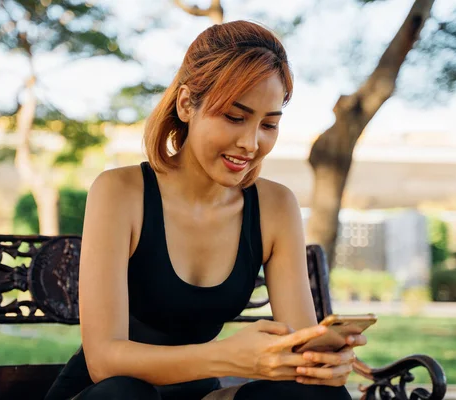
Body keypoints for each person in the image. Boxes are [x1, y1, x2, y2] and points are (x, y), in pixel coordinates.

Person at [45, 20, 366, 400]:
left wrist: (321, 364)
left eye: (268, 124)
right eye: (234, 117)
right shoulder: (120, 192)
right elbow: (104, 361)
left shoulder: (276, 206)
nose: (250, 143)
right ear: (185, 104)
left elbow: (298, 350)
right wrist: (226, 357)